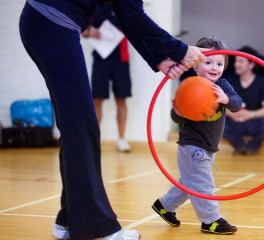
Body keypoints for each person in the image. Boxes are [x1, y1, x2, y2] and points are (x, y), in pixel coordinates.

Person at [19, 0, 206, 239]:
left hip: (44, 23)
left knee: (75, 126)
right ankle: (96, 228)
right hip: (54, 24)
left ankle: (69, 220)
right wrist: (179, 50)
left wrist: (158, 59)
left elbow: (125, 16)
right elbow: (133, 15)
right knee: (82, 127)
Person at [151, 37, 242, 235]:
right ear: (195, 65)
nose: (214, 67)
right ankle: (211, 220)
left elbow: (237, 104)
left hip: (210, 146)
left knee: (190, 182)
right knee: (202, 183)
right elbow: (175, 117)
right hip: (192, 146)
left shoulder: (224, 86)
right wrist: (180, 112)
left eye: (219, 63)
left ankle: (164, 205)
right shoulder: (190, 86)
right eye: (208, 62)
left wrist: (225, 99)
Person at [82, 4, 133, 152]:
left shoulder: (124, 7)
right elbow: (82, 30)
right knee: (97, 99)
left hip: (121, 60)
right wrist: (90, 32)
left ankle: (122, 139)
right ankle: (95, 138)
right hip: (101, 59)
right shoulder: (96, 7)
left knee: (121, 99)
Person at [223, 46, 264, 155]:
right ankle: (240, 146)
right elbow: (220, 106)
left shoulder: (262, 82)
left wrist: (250, 114)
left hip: (254, 122)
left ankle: (253, 146)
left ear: (251, 65)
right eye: (236, 61)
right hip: (235, 122)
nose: (236, 64)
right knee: (215, 119)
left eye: (241, 61)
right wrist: (232, 114)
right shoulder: (229, 82)